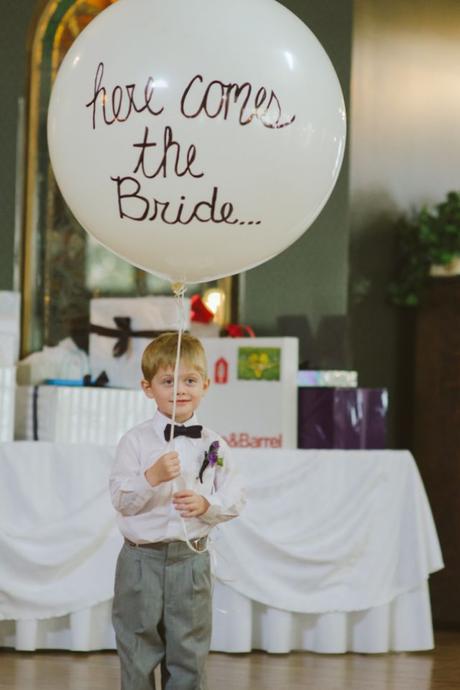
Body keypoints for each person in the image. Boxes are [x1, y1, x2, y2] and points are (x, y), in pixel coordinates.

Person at [109, 331, 245, 690]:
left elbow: (235, 496)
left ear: (205, 384)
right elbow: (121, 499)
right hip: (141, 560)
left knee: (189, 648)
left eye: (189, 380)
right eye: (168, 381)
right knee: (137, 646)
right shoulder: (134, 441)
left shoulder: (214, 443)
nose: (180, 389)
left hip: (191, 559)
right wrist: (150, 477)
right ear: (147, 387)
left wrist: (207, 504)